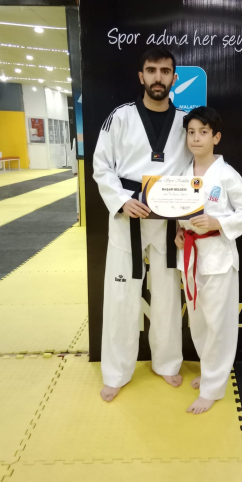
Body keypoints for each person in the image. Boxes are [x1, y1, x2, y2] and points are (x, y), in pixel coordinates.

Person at [93, 47, 192, 402]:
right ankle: (116, 372)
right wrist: (121, 200)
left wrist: (185, 218)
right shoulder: (119, 117)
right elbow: (101, 165)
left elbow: (193, 171)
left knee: (167, 296)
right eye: (151, 70)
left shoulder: (187, 122)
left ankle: (167, 363)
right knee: (121, 298)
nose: (158, 77)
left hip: (168, 221)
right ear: (141, 76)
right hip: (128, 216)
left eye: (165, 71)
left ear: (174, 78)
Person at [174, 107, 242, 415]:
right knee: (197, 322)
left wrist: (218, 223)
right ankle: (210, 373)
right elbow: (178, 213)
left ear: (216, 137)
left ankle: (212, 388)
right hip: (190, 256)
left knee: (218, 324)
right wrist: (179, 232)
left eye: (203, 132)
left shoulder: (227, 174)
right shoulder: (182, 174)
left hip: (219, 257)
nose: (196, 138)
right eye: (191, 132)